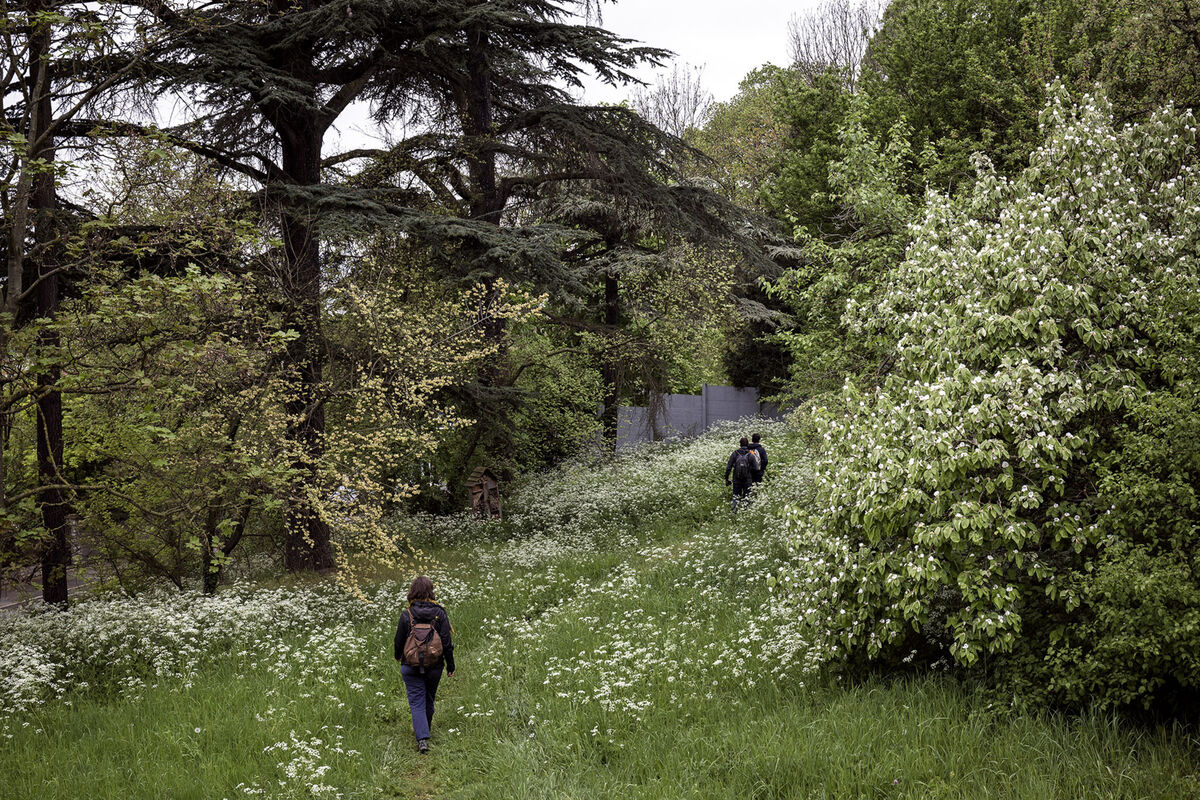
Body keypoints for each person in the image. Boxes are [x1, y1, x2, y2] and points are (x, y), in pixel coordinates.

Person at [394, 575, 455, 753]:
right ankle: (424, 730)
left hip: (410, 665)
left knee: (416, 701)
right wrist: (450, 666)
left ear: (412, 592)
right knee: (428, 698)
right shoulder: (439, 613)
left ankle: (422, 738)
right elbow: (446, 643)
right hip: (434, 666)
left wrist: (399, 656)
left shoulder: (407, 614)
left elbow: (398, 641)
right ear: (431, 591)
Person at [724, 437, 755, 512]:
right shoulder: (751, 453)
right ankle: (746, 513)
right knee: (747, 497)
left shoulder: (735, 453)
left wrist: (726, 478)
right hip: (748, 479)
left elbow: (729, 467)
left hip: (736, 479)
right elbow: (756, 468)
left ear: (740, 444)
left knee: (736, 496)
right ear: (747, 444)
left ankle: (734, 511)